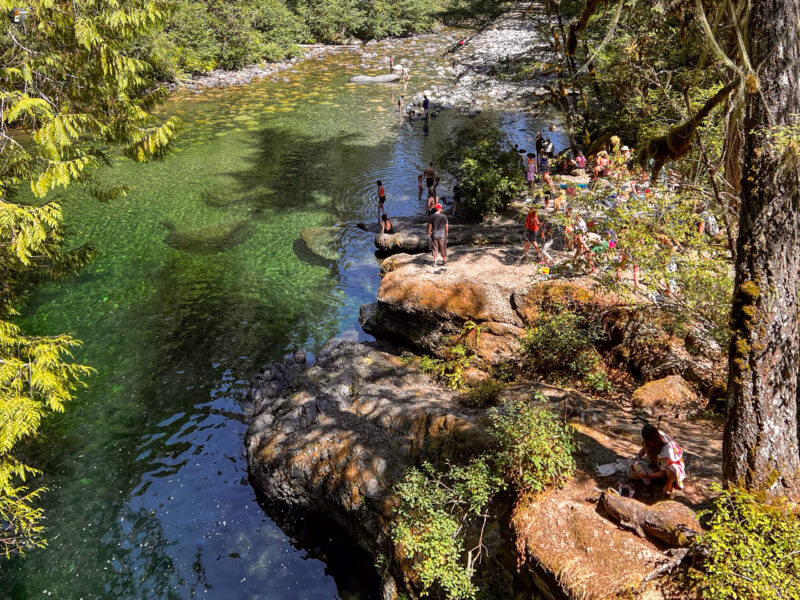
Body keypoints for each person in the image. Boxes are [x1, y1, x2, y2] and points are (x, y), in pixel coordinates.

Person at [627, 424, 686, 496]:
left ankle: (669, 482)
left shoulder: (666, 451)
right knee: (648, 451)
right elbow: (644, 448)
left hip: (672, 467)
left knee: (670, 472)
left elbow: (663, 472)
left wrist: (647, 475)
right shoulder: (655, 435)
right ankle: (656, 469)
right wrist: (638, 456)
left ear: (653, 440)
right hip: (661, 461)